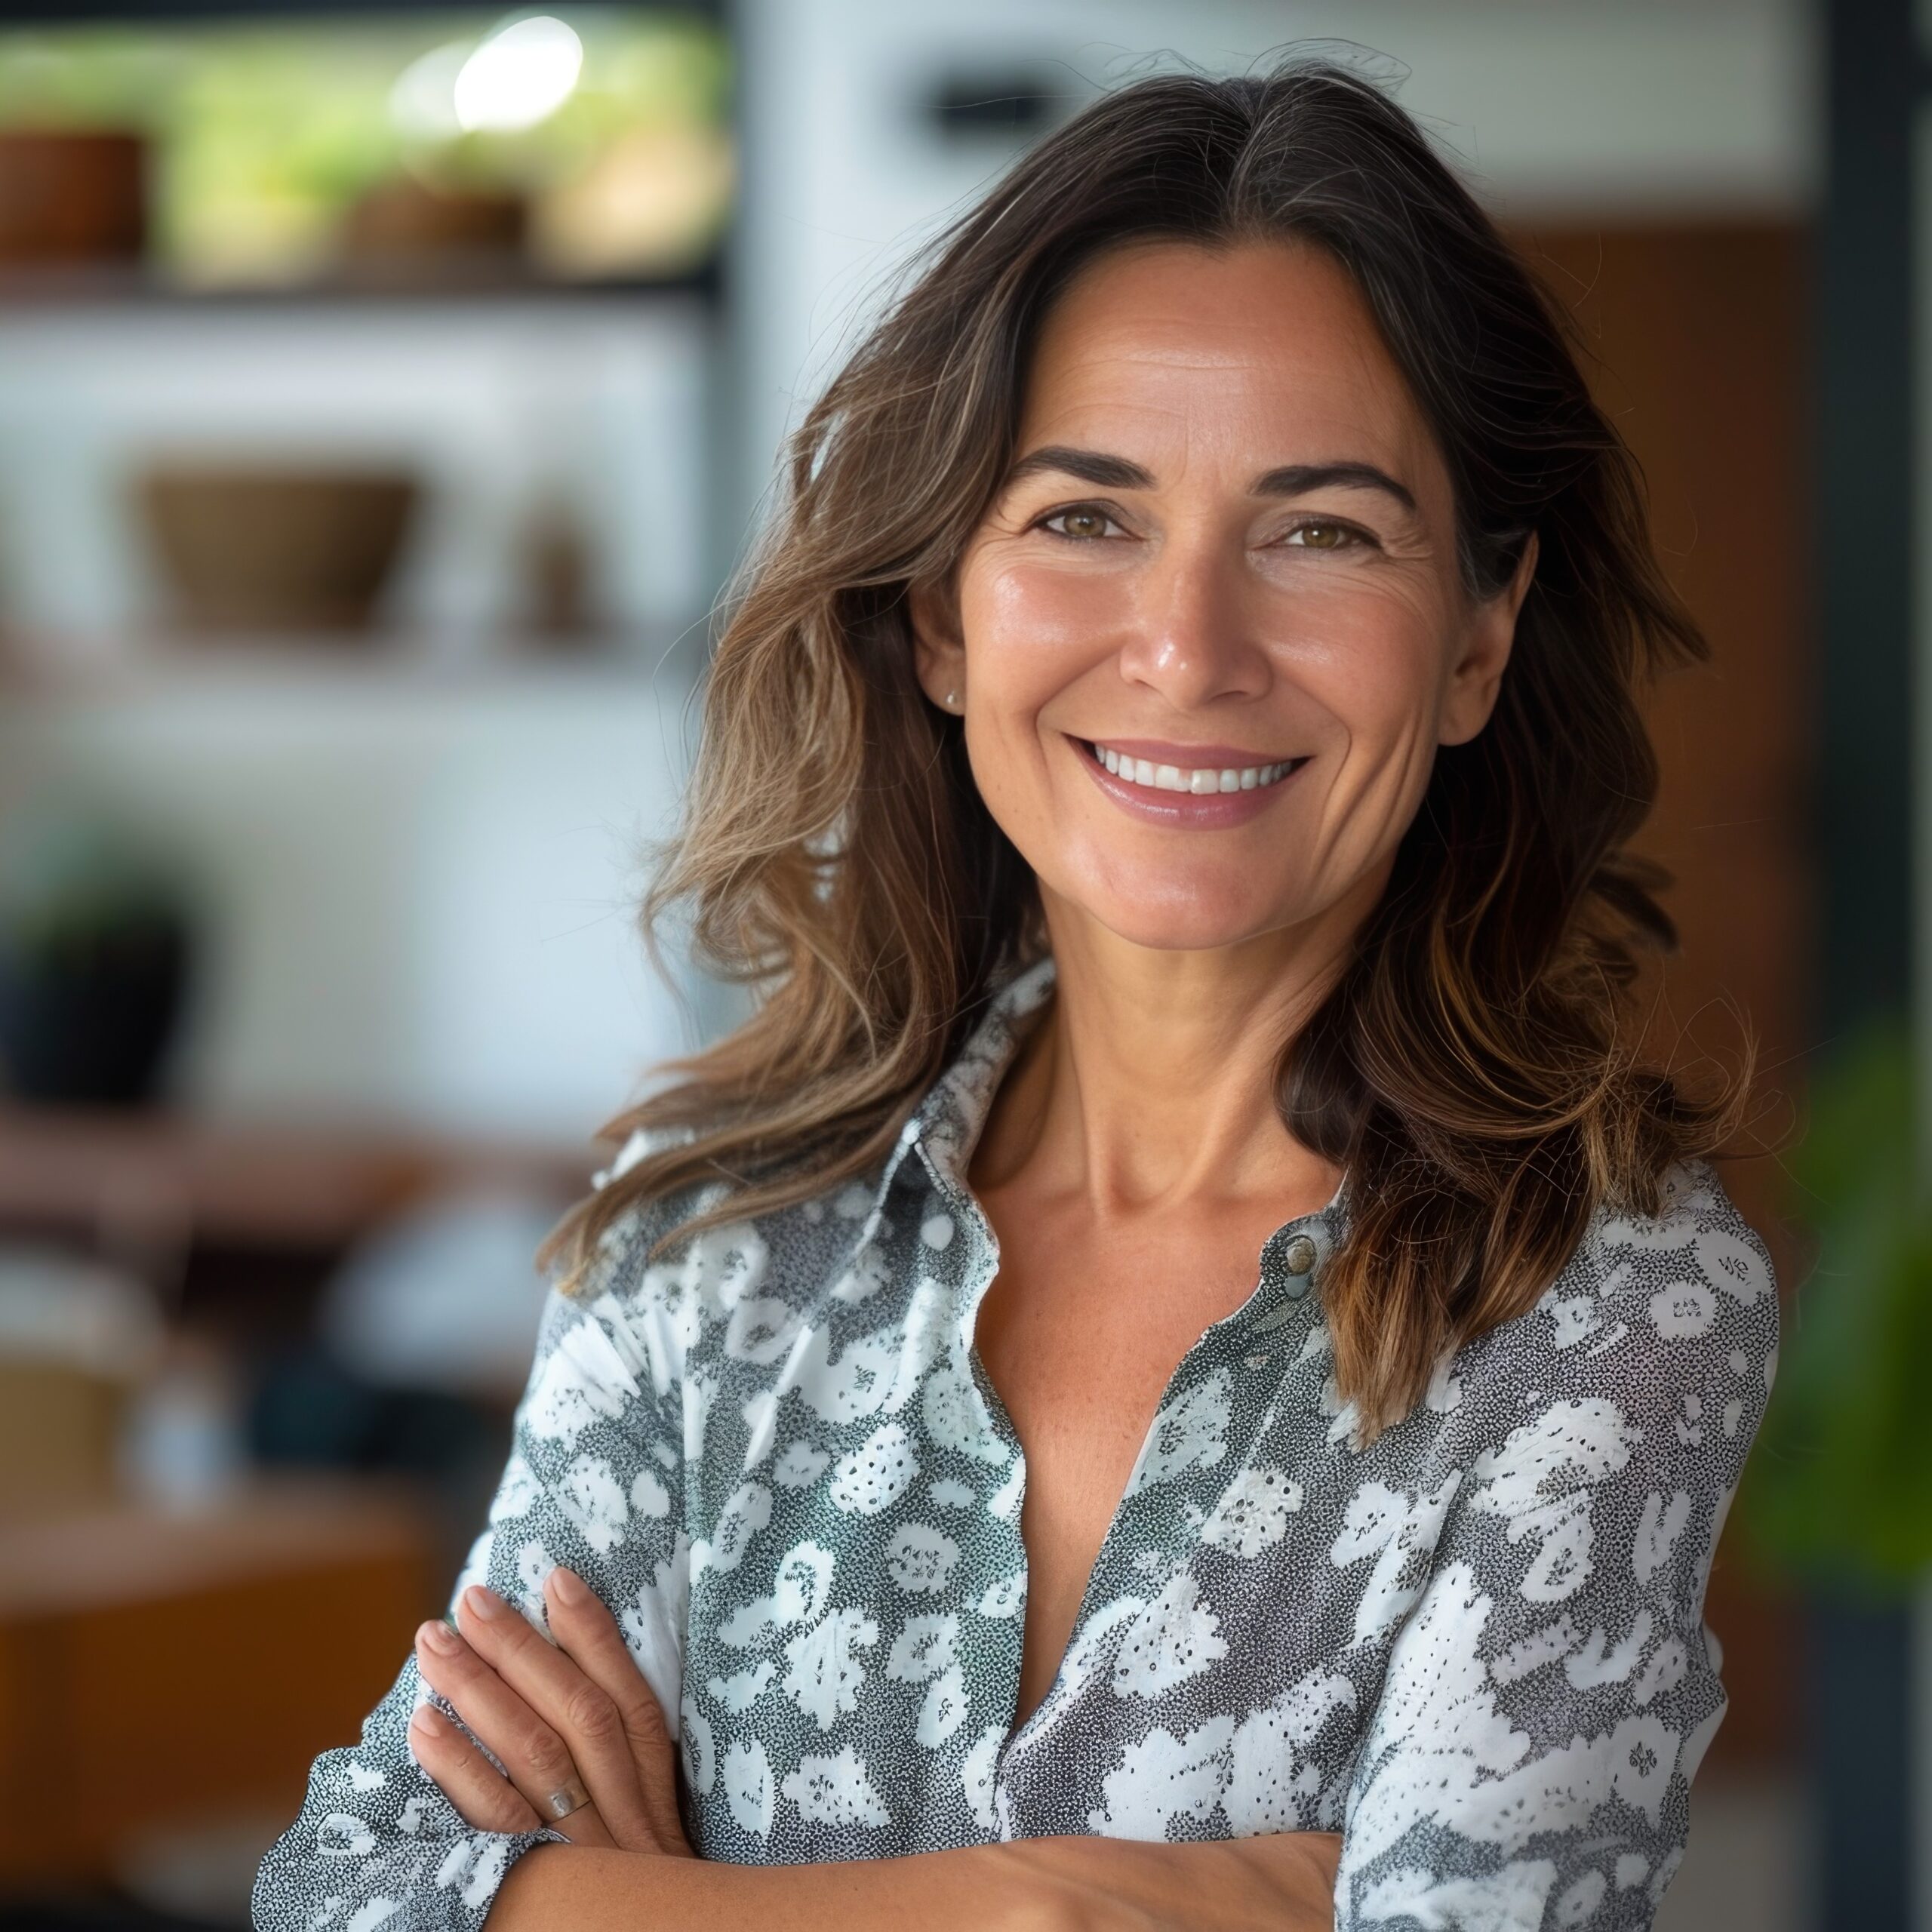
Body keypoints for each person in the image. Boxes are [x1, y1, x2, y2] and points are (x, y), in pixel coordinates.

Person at [254, 53, 1778, 1932]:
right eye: (1083, 515)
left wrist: (646, 1905)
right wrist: (1037, 1904)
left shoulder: (1602, 1305)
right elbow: (354, 1891)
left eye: (1319, 530)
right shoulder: (706, 1232)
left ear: (1474, 636)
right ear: (939, 617)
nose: (1188, 647)